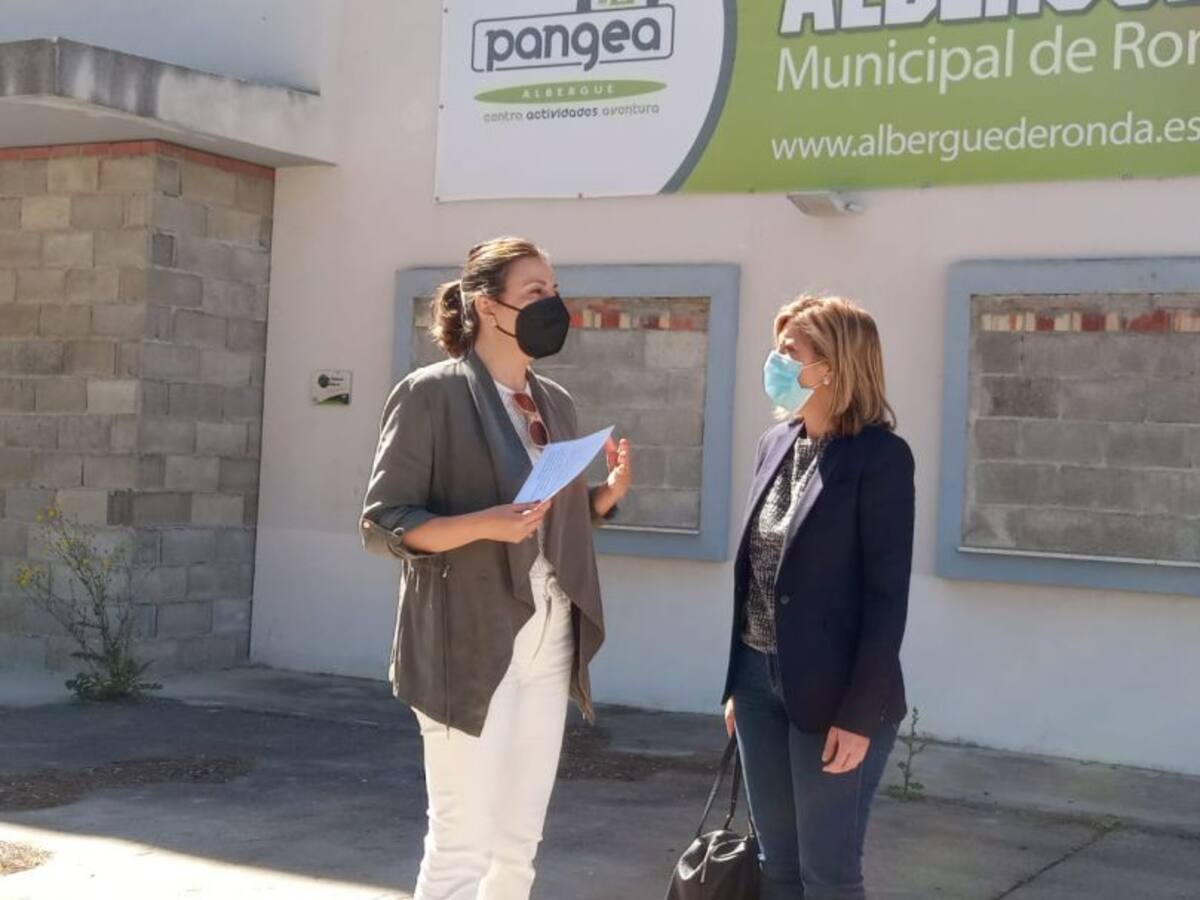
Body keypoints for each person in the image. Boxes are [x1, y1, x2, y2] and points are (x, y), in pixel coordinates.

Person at [359, 236, 632, 900]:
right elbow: (384, 522)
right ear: (487, 306)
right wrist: (484, 523)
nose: (553, 304)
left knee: (518, 843)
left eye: (555, 290)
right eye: (536, 291)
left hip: (549, 636)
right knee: (462, 844)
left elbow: (545, 520)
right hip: (468, 638)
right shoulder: (430, 395)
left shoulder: (555, 402)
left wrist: (602, 498)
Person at [721, 295, 915, 900]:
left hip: (836, 694)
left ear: (830, 367)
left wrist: (858, 715)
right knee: (776, 865)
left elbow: (886, 598)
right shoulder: (774, 443)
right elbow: (757, 577)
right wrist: (739, 683)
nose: (775, 362)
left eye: (790, 351)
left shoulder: (880, 458)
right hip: (757, 684)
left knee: (828, 874)